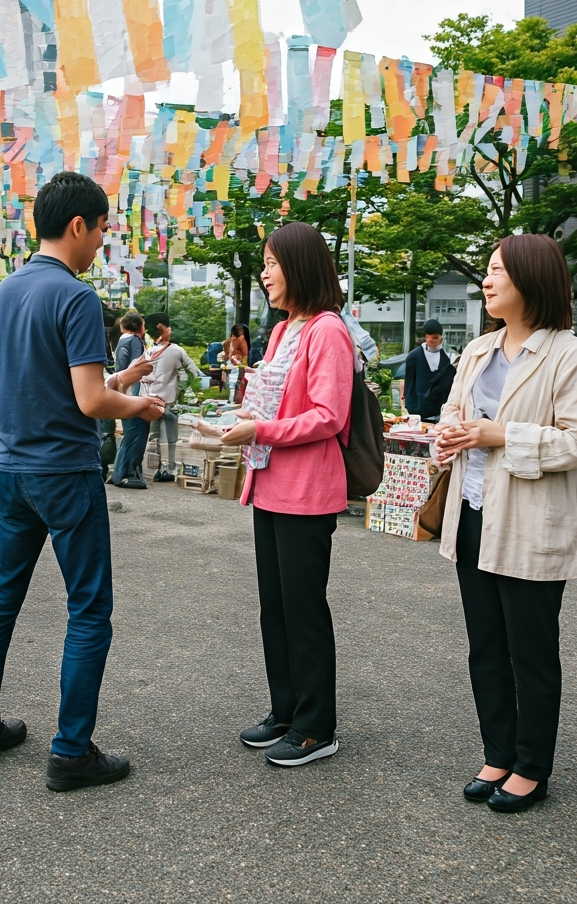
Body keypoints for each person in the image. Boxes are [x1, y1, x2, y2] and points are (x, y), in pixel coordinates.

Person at [0, 171, 164, 790]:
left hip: (13, 468)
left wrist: (119, 386)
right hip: (66, 473)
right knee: (88, 609)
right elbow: (88, 402)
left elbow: (45, 384)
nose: (103, 241)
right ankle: (71, 751)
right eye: (102, 228)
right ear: (78, 225)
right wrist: (139, 407)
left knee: (0, 597)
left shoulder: (3, 294)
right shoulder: (74, 297)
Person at [434, 234, 577, 813]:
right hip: (475, 513)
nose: (486, 280)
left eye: (498, 271)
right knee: (485, 646)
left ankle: (532, 766)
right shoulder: (479, 350)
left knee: (529, 650)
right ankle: (497, 753)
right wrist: (449, 434)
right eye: (487, 270)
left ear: (530, 280)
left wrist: (496, 434)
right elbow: (455, 413)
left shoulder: (566, 354)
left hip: (530, 524)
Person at [207, 222, 354, 767]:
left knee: (304, 610)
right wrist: (249, 419)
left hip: (307, 491)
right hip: (269, 486)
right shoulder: (283, 330)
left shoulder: (327, 331)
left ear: (299, 266)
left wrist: (260, 430)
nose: (265, 273)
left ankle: (318, 727)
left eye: (272, 263)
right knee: (277, 608)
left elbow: (327, 417)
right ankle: (286, 710)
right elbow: (276, 405)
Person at [139, 311, 204, 481]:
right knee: (171, 439)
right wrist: (182, 387)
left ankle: (154, 470)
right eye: (169, 327)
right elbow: (194, 373)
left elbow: (141, 376)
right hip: (169, 402)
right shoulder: (176, 350)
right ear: (163, 328)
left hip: (150, 402)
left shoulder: (146, 352)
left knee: (153, 438)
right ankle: (170, 469)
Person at [109, 312, 149, 489]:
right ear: (140, 327)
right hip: (134, 394)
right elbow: (137, 370)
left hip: (125, 393)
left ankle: (120, 471)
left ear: (123, 326)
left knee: (131, 434)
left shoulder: (121, 342)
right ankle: (125, 473)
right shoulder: (134, 342)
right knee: (136, 434)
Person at [404, 319, 456, 422]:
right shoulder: (414, 356)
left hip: (439, 410)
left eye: (435, 337)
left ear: (441, 338)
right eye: (428, 336)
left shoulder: (447, 358)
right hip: (417, 408)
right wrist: (410, 406)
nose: (431, 340)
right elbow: (409, 384)